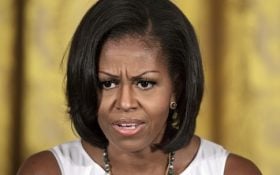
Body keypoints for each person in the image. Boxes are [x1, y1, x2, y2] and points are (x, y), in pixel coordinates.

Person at [17, 0, 261, 174]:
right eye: (108, 83)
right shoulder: (48, 170)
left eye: (145, 83)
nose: (124, 103)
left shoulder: (232, 171)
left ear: (177, 87)